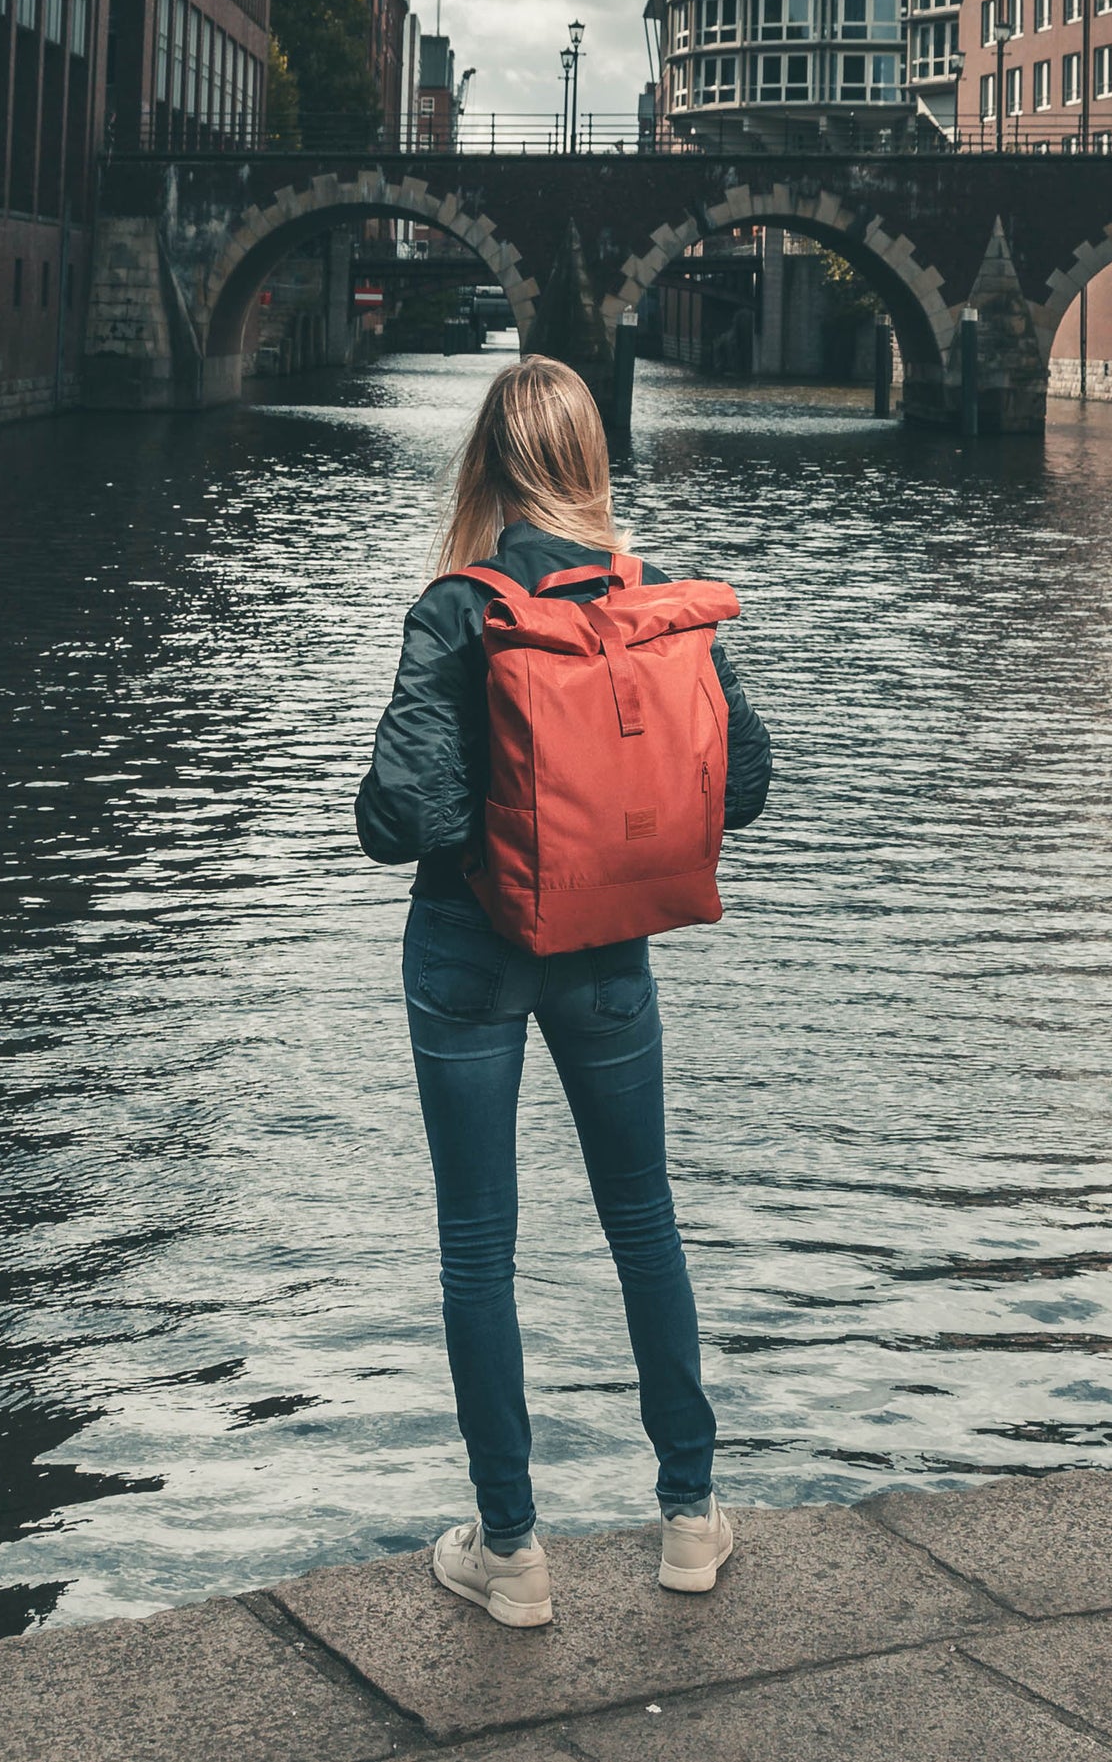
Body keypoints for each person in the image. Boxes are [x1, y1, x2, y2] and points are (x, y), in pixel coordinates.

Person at [355, 357, 773, 1628]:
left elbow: (402, 815)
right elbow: (742, 782)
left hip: (469, 951)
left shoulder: (459, 608)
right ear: (592, 464)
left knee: (480, 1252)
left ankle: (513, 1551)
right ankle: (692, 1518)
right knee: (642, 1222)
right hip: (607, 952)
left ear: (487, 464)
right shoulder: (650, 604)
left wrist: (456, 824)